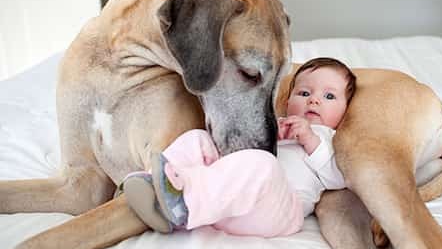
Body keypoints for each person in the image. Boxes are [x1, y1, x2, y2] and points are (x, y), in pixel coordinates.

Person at [121, 57, 356, 237]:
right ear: (287, 102)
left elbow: (338, 177)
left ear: (346, 109)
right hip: (229, 205)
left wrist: (310, 140)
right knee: (199, 138)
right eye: (304, 93)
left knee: (264, 165)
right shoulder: (277, 123)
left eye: (329, 96)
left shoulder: (330, 138)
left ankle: (184, 202)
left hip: (280, 212)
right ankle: (154, 184)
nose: (314, 100)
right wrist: (275, 135)